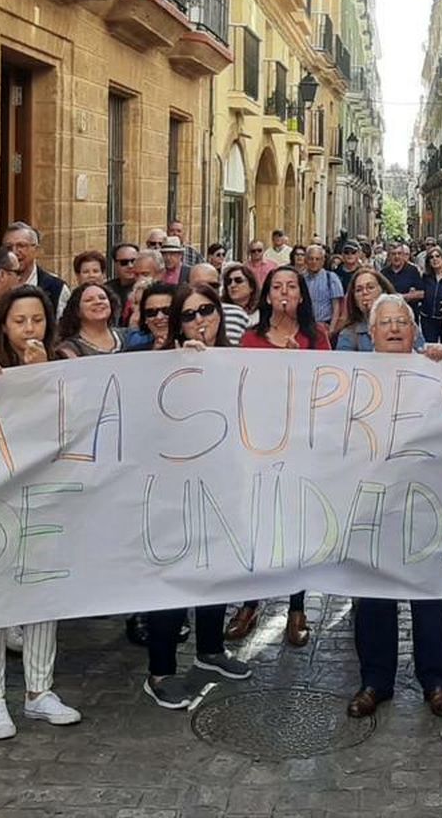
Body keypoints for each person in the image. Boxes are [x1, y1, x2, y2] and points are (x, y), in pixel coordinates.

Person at [0, 286, 82, 739]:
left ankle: (38, 692)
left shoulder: (60, 368)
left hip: (43, 497)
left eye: (37, 320)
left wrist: (45, 379)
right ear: (3, 326)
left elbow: (71, 427)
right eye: (19, 321)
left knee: (42, 595)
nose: (29, 329)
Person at [139, 285, 254, 708]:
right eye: (188, 315)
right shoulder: (159, 364)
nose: (200, 320)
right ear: (176, 323)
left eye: (207, 309)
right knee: (172, 580)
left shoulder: (236, 360)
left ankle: (210, 651)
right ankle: (160, 670)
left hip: (223, 485)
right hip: (173, 491)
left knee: (216, 571)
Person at [347, 293, 442, 720]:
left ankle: (436, 680)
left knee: (429, 593)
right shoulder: (348, 376)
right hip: (371, 502)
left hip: (426, 500)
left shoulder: (435, 370)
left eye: (402, 322)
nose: (394, 329)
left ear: (414, 330)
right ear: (370, 333)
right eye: (385, 322)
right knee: (374, 596)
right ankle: (375, 681)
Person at [230, 265, 332, 647]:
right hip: (261, 443)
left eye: (292, 286)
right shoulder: (253, 338)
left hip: (303, 444)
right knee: (259, 524)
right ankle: (250, 602)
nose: (285, 292)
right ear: (268, 296)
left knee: (296, 526)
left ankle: (297, 606)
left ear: (302, 296)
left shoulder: (316, 336)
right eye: (278, 286)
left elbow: (329, 388)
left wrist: (300, 365)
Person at [333, 268, 439, 355]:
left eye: (370, 287)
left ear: (382, 290)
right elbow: (345, 369)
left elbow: (422, 354)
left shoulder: (405, 323)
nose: (365, 292)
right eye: (359, 290)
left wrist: (436, 353)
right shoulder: (349, 334)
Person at [57, 281, 144, 357]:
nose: (98, 302)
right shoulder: (70, 348)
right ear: (77, 311)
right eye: (89, 300)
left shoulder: (127, 336)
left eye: (102, 298)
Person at [3, 222, 68, 317]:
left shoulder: (56, 289)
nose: (14, 252)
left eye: (21, 246)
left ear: (36, 250)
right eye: (8, 247)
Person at [297, 243, 345, 326]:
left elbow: (336, 307)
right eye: (311, 259)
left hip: (324, 325)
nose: (314, 262)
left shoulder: (331, 278)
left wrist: (331, 329)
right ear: (306, 260)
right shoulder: (300, 278)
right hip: (304, 325)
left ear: (323, 261)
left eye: (317, 259)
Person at [418, 245, 442, 346]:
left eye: (437, 256)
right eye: (431, 257)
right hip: (428, 319)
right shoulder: (425, 278)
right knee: (430, 348)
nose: (435, 259)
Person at [219, 263, 259, 346]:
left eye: (238, 280)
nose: (232, 285)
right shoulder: (220, 311)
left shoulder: (261, 313)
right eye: (228, 282)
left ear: (251, 286)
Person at [380, 243, 425, 314]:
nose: (396, 256)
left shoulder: (413, 271)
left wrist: (405, 297)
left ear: (403, 255)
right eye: (393, 254)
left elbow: (422, 293)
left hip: (409, 313)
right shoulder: (383, 273)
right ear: (388, 256)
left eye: (399, 253)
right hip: (390, 313)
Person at [134, 281, 179, 350]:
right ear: (145, 319)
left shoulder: (195, 347)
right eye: (151, 312)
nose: (159, 317)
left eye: (167, 311)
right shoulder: (134, 353)